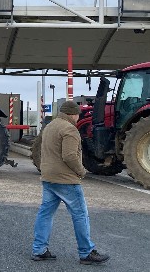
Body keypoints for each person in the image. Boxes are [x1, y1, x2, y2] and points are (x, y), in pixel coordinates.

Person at [31, 100, 109, 265]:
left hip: (48, 177)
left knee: (45, 214)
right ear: (73, 114)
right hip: (66, 180)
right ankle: (86, 252)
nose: (77, 117)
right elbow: (69, 156)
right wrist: (81, 171)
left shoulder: (50, 127)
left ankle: (39, 250)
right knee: (80, 215)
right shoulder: (70, 129)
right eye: (77, 114)